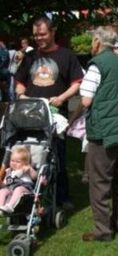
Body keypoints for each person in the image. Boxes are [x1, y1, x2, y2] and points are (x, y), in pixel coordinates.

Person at [15, 16, 84, 209]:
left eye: (43, 34)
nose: (39, 38)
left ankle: (62, 196)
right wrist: (21, 94)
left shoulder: (66, 56)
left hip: (55, 115)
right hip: (29, 114)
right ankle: (28, 192)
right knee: (30, 153)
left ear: (53, 31)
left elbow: (77, 83)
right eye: (36, 35)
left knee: (58, 156)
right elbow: (20, 82)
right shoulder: (30, 57)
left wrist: (62, 97)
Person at [80, 26, 118, 242]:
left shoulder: (97, 65)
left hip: (104, 132)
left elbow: (86, 100)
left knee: (100, 183)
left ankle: (103, 231)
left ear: (97, 42)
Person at [0, 146, 37, 214]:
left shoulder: (26, 170)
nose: (14, 163)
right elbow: (5, 185)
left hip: (25, 189)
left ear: (25, 163)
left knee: (18, 189)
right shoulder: (9, 172)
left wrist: (30, 169)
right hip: (10, 189)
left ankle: (10, 206)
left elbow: (35, 177)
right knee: (2, 191)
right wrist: (1, 184)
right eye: (12, 161)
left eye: (18, 161)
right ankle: (1, 207)